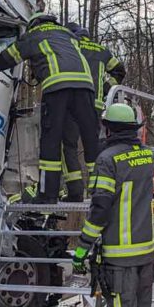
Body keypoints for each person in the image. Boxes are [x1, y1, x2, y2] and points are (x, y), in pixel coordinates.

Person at [72, 103, 154, 307]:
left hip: (120, 255)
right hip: (146, 251)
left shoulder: (107, 159)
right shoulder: (147, 155)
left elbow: (100, 208)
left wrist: (83, 245)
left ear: (108, 127)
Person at [0, 12, 98, 203]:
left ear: (34, 23)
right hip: (85, 88)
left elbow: (8, 58)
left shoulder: (34, 34)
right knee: (88, 141)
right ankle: (92, 191)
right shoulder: (68, 35)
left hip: (57, 89)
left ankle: (48, 195)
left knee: (51, 142)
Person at [61, 22, 127, 200]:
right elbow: (119, 70)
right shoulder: (101, 50)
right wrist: (106, 89)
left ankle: (75, 190)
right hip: (94, 106)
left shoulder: (67, 46)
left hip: (70, 104)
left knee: (69, 146)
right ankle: (98, 188)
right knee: (93, 148)